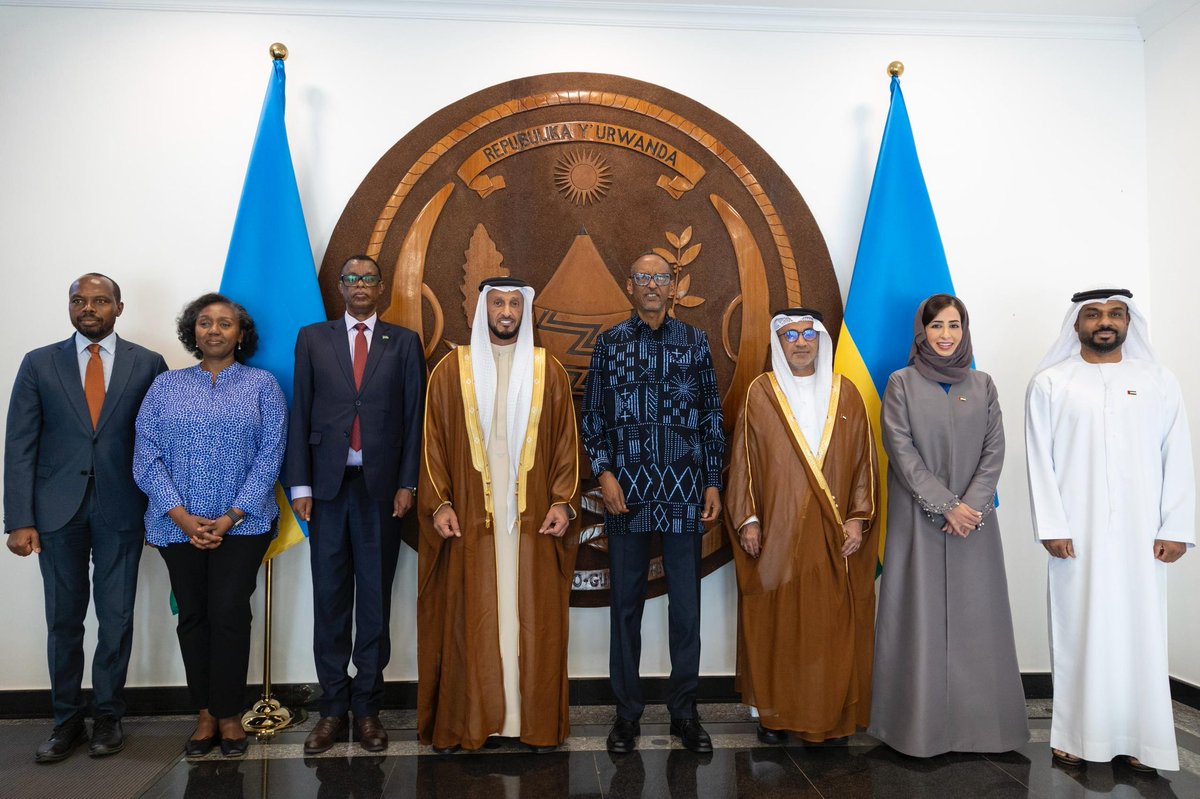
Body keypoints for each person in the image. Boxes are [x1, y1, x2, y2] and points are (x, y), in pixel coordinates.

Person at [1025, 287, 1193, 775]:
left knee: (1142, 632)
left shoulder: (1158, 381)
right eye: (1094, 314)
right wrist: (1052, 525)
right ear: (1076, 324)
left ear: (1128, 322)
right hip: (1076, 536)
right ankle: (1077, 737)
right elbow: (1040, 459)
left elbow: (1177, 455)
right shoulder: (1052, 383)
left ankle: (1146, 741)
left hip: (1146, 535)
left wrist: (1177, 526)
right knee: (1080, 629)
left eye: (1116, 314)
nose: (1106, 322)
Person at [4, 274, 166, 763]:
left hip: (122, 507)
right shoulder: (39, 363)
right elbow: (19, 444)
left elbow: (159, 440)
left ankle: (109, 717)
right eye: (79, 300)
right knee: (64, 619)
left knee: (116, 619)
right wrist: (19, 518)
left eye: (99, 300)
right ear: (69, 307)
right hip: (56, 511)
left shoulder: (148, 364)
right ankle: (66, 719)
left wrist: (166, 509)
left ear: (119, 307)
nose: (88, 307)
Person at [417, 277, 580, 753]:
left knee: (529, 615)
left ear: (523, 311)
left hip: (532, 520)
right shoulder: (452, 370)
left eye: (514, 303)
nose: (506, 311)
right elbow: (432, 445)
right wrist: (441, 502)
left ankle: (528, 722)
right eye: (498, 303)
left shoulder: (547, 369)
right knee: (478, 612)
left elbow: (568, 442)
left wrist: (563, 501)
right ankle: (476, 720)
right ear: (482, 309)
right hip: (472, 516)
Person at [868, 294, 1028, 757]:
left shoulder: (983, 385)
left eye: (954, 326)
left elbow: (994, 451)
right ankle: (914, 731)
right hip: (920, 523)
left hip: (973, 526)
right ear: (922, 331)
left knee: (979, 622)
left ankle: (982, 731)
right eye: (936, 326)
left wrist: (971, 508)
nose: (945, 335)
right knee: (915, 619)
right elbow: (901, 452)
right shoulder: (901, 383)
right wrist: (945, 507)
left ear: (965, 331)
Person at [581, 252, 725, 754]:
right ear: (629, 284)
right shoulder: (610, 344)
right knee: (626, 607)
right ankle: (626, 715)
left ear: (673, 286)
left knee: (686, 607)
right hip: (626, 496)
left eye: (660, 277)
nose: (650, 284)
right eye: (641, 276)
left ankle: (685, 712)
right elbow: (593, 417)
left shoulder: (695, 342)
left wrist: (712, 482)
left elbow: (711, 416)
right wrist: (604, 473)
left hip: (685, 492)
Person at [134, 293, 286, 758]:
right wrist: (179, 514)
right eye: (205, 323)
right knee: (194, 616)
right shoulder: (165, 386)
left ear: (241, 334)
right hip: (176, 526)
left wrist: (231, 515)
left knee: (229, 612)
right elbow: (145, 455)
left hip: (242, 525)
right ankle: (203, 712)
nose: (214, 330)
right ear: (192, 331)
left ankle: (228, 713)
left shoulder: (263, 385)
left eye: (225, 323)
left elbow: (271, 454)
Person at [285, 255, 425, 754]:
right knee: (330, 601)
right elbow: (300, 409)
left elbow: (414, 419)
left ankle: (367, 709)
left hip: (381, 491)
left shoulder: (404, 342)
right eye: (352, 278)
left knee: (374, 603)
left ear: (381, 286)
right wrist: (299, 487)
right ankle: (330, 710)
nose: (361, 285)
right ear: (341, 287)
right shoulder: (312, 338)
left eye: (369, 278)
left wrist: (407, 483)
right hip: (325, 491)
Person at [725, 309, 877, 744]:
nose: (800, 342)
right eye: (790, 335)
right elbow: (744, 462)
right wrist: (748, 519)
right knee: (779, 625)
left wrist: (856, 518)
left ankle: (830, 715)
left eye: (808, 333)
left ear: (820, 340)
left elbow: (865, 463)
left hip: (832, 536)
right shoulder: (760, 392)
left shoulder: (845, 394)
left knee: (828, 628)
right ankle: (774, 714)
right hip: (777, 533)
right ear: (779, 342)